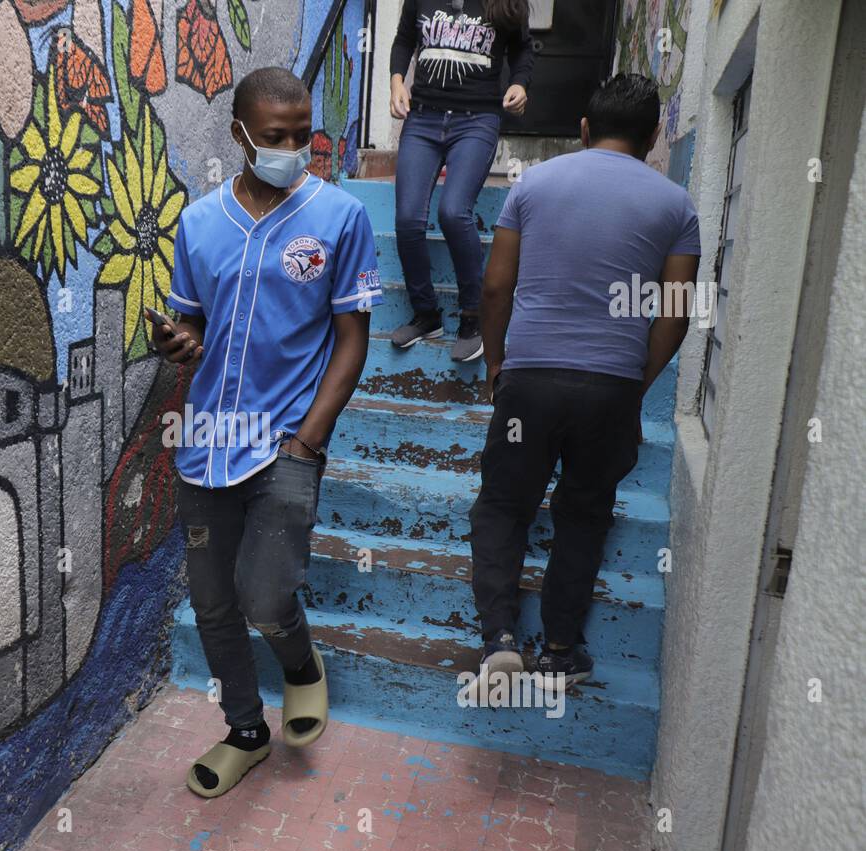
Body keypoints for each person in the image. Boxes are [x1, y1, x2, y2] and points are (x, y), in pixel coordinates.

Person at [154, 67, 384, 798]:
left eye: (302, 133)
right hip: (203, 445)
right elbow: (189, 321)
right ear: (241, 135)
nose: (294, 148)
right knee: (214, 604)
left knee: (264, 595)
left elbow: (352, 339)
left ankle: (301, 665)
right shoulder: (198, 224)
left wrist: (308, 442)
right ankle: (247, 731)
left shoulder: (340, 218)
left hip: (287, 442)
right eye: (276, 137)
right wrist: (178, 341)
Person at [467, 72, 701, 699]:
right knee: (584, 513)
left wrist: (497, 366)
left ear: (583, 129)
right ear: (654, 137)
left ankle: (499, 640)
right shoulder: (676, 206)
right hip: (610, 388)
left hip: (530, 379)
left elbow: (495, 287)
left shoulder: (534, 185)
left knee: (503, 504)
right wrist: (635, 381)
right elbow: (675, 313)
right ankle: (560, 652)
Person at [388, 0, 534, 361]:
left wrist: (520, 84)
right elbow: (404, 38)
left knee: (453, 212)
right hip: (422, 118)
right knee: (408, 219)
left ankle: (472, 316)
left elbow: (522, 47)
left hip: (476, 120)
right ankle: (427, 315)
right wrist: (396, 83)